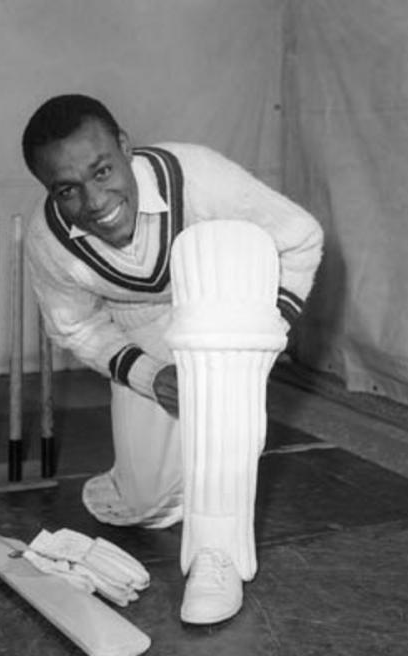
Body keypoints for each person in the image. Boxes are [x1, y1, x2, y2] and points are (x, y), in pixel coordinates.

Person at [21, 94, 323, 625]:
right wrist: (150, 375)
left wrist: (263, 338)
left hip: (219, 309)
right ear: (49, 191)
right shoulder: (50, 241)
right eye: (68, 189)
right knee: (143, 505)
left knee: (220, 248)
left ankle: (217, 552)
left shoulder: (197, 174)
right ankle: (175, 476)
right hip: (140, 329)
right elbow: (74, 326)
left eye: (103, 171)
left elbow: (300, 238)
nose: (95, 202)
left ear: (125, 145)